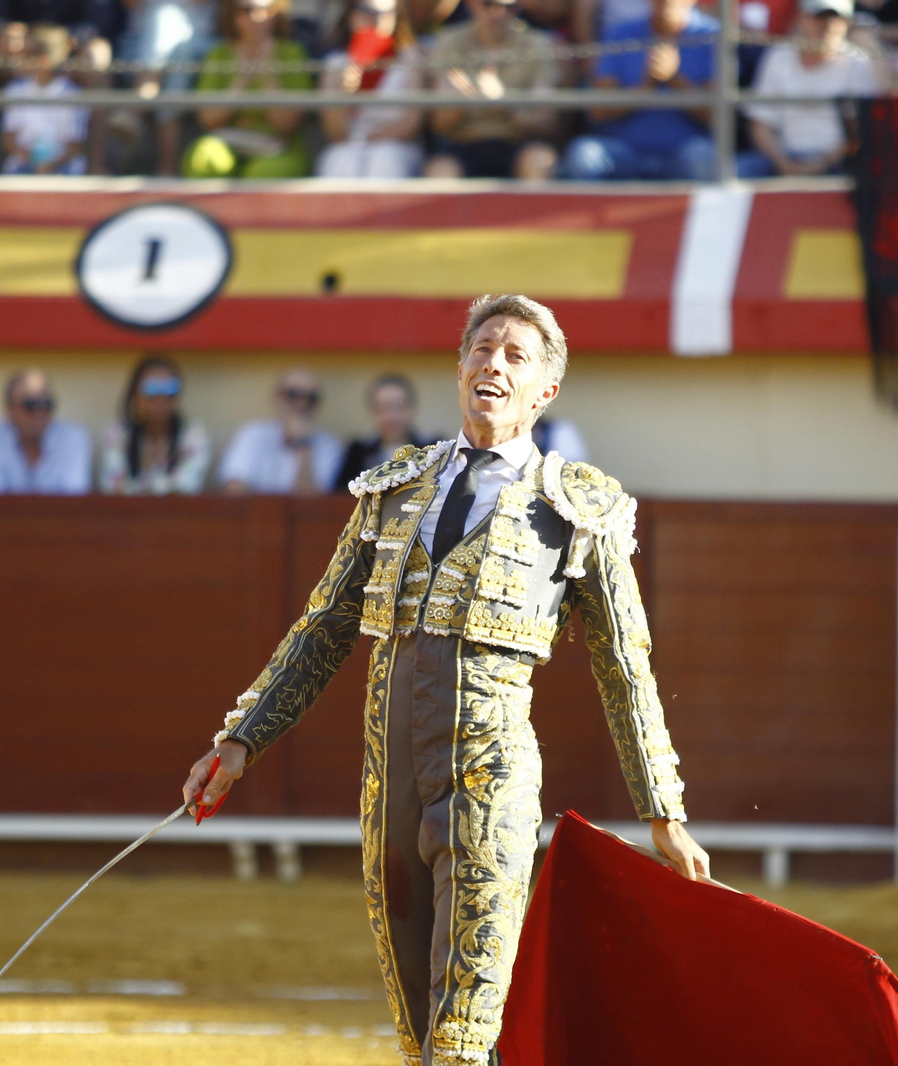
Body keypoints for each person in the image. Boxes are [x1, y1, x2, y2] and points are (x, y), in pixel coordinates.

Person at [182, 294, 707, 1066]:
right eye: (482, 348)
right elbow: (323, 627)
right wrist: (238, 743)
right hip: (390, 786)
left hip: (488, 785)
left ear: (545, 392)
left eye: (514, 356)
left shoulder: (580, 508)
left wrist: (662, 808)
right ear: (460, 366)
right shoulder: (393, 489)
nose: (493, 363)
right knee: (423, 1031)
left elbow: (625, 667)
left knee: (464, 1034)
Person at [561, 0, 719, 181]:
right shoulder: (621, 33)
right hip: (626, 153)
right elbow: (598, 110)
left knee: (704, 157)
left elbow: (717, 115)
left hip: (685, 153)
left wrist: (674, 78)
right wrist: (644, 88)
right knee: (583, 155)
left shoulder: (712, 35)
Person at [0, 0, 120, 173]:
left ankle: (97, 165)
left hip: (70, 51)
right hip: (20, 52)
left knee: (97, 54)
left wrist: (59, 44)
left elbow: (99, 23)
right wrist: (6, 33)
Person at [735, 0, 877, 179]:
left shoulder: (857, 63)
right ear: (801, 18)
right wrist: (783, 163)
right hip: (782, 158)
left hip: (838, 164)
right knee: (735, 171)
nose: (828, 26)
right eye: (819, 16)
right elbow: (760, 124)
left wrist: (819, 164)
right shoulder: (778, 57)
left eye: (836, 18)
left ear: (847, 23)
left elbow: (860, 131)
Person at [425, 0, 560, 180]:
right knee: (440, 172)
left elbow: (546, 121)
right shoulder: (450, 42)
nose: (498, 13)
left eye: (508, 7)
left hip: (518, 143)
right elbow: (439, 125)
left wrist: (502, 102)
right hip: (464, 143)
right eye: (488, 4)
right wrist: (461, 102)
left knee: (540, 161)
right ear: (472, 4)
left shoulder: (537, 44)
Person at [184, 0, 315, 178]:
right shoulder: (218, 54)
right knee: (205, 160)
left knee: (264, 174)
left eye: (264, 10)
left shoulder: (292, 53)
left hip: (279, 147)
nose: (255, 18)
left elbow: (286, 124)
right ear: (232, 14)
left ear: (276, 13)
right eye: (246, 10)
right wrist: (242, 79)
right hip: (228, 141)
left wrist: (267, 74)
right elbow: (209, 120)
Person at [315, 0, 426, 179]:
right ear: (351, 15)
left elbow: (411, 123)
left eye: (385, 13)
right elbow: (334, 131)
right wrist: (347, 92)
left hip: (395, 145)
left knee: (385, 160)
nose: (375, 19)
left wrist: (369, 141)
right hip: (348, 146)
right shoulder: (336, 64)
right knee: (341, 162)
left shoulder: (410, 59)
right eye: (367, 11)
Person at [117, 0, 212, 176]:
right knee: (166, 21)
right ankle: (168, 167)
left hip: (202, 41)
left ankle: (139, 101)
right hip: (140, 43)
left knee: (179, 47)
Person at [217, 367, 344, 494]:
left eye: (311, 398)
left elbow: (312, 505)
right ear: (276, 397)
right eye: (292, 395)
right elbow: (233, 490)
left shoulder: (329, 446)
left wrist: (303, 446)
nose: (302, 404)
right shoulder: (252, 434)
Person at [97, 355, 211, 494]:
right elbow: (111, 486)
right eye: (152, 389)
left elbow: (187, 486)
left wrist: (141, 488)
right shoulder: (118, 433)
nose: (161, 398)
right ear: (135, 395)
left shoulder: (193, 433)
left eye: (170, 388)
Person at [0, 368, 92, 493]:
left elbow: (74, 500)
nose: (40, 413)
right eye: (30, 405)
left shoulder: (72, 438)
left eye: (47, 404)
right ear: (10, 409)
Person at [0, 25, 91, 173]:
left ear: (43, 60)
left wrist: (50, 164)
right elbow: (8, 139)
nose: (19, 59)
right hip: (24, 164)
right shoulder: (14, 91)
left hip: (63, 166)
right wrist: (30, 159)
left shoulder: (72, 95)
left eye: (26, 54)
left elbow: (75, 145)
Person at [334, 373, 431, 487]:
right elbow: (342, 494)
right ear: (372, 411)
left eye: (399, 407)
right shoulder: (358, 453)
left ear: (412, 408)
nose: (392, 416)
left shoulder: (430, 450)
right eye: (384, 408)